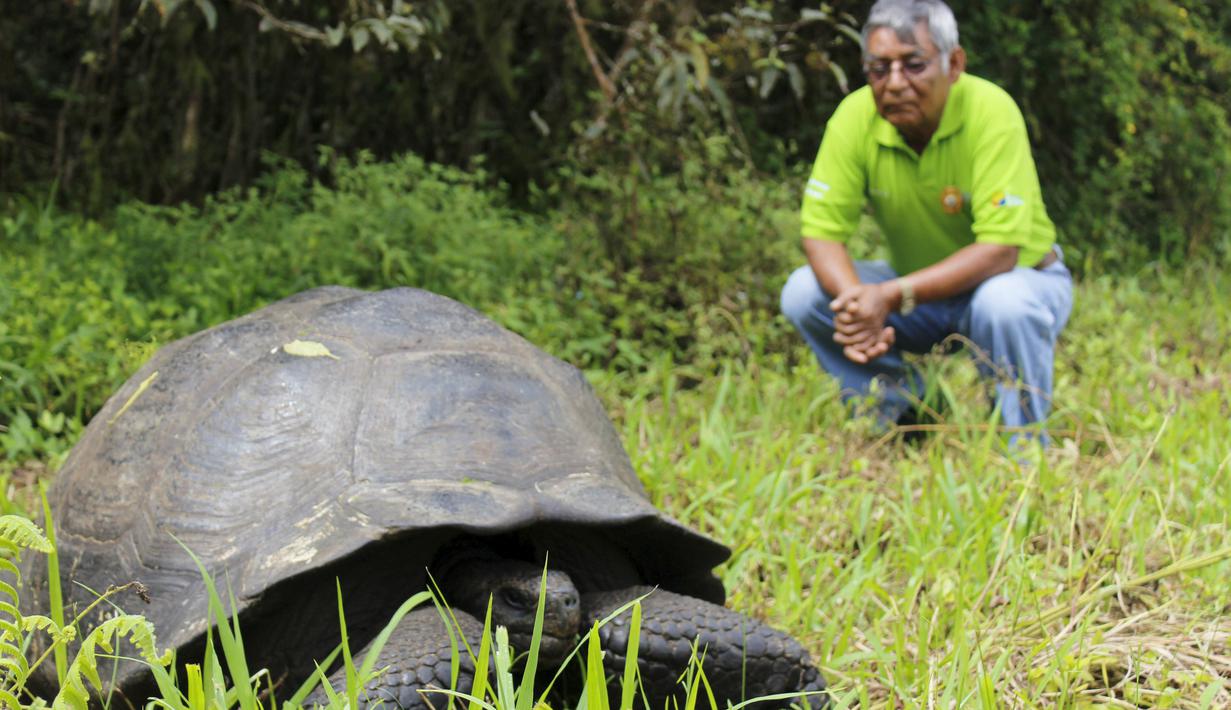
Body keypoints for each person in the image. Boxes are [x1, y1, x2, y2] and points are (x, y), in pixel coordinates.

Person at [780, 0, 1072, 443]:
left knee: (1004, 302)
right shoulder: (855, 117)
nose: (895, 83)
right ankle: (907, 416)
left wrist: (889, 296)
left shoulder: (991, 111)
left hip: (1013, 281)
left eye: (914, 65)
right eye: (879, 69)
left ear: (953, 64)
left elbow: (1001, 251)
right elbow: (821, 233)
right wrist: (860, 306)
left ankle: (1024, 448)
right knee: (804, 293)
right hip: (916, 298)